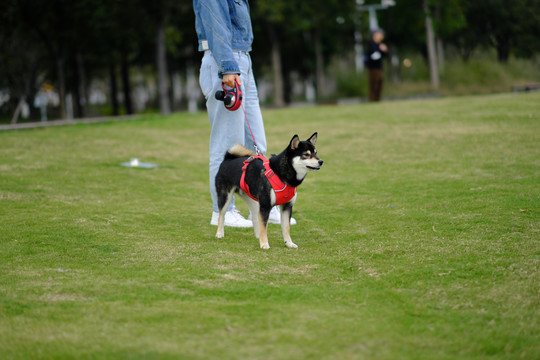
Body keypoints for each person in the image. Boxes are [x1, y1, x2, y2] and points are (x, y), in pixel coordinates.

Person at [193, 0, 295, 227]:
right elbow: (215, 23)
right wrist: (228, 66)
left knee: (255, 140)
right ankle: (223, 210)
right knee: (227, 145)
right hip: (225, 63)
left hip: (241, 60)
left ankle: (261, 205)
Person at [365, 29, 388, 102]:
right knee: (374, 84)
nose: (382, 35)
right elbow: (373, 56)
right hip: (373, 68)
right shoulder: (372, 45)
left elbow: (384, 56)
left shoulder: (379, 45)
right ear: (375, 35)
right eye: (380, 34)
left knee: (379, 84)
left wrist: (384, 51)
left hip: (379, 68)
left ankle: (377, 100)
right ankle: (372, 100)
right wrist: (381, 50)